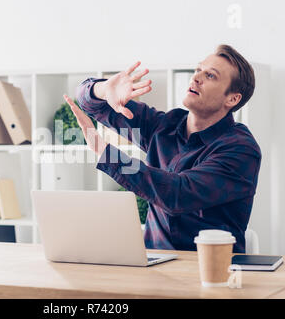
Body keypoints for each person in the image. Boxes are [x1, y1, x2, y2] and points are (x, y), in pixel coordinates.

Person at [62, 44, 260, 253]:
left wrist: (108, 155)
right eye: (198, 70)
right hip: (155, 266)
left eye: (210, 76)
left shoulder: (241, 149)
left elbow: (178, 194)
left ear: (233, 98)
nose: (196, 78)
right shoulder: (165, 125)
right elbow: (90, 101)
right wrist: (103, 90)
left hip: (210, 272)